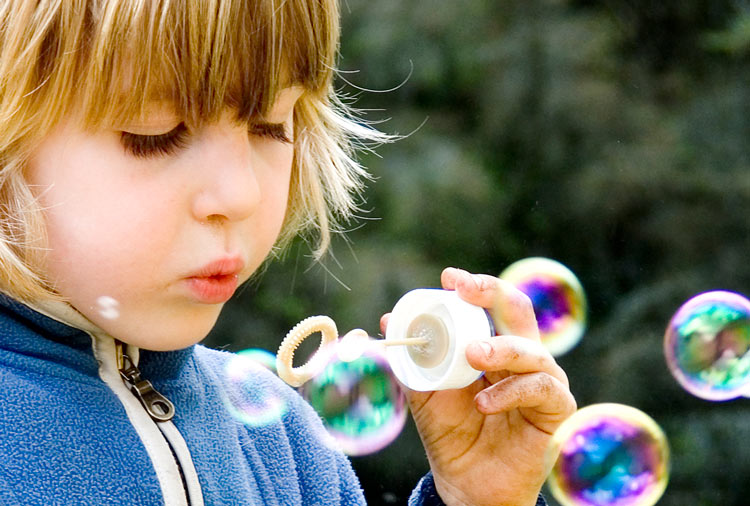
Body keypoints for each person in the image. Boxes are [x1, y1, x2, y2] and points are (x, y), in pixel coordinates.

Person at [0, 1, 576, 505]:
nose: (241, 194)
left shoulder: (286, 447)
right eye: (157, 132)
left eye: (272, 125)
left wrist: (482, 501)